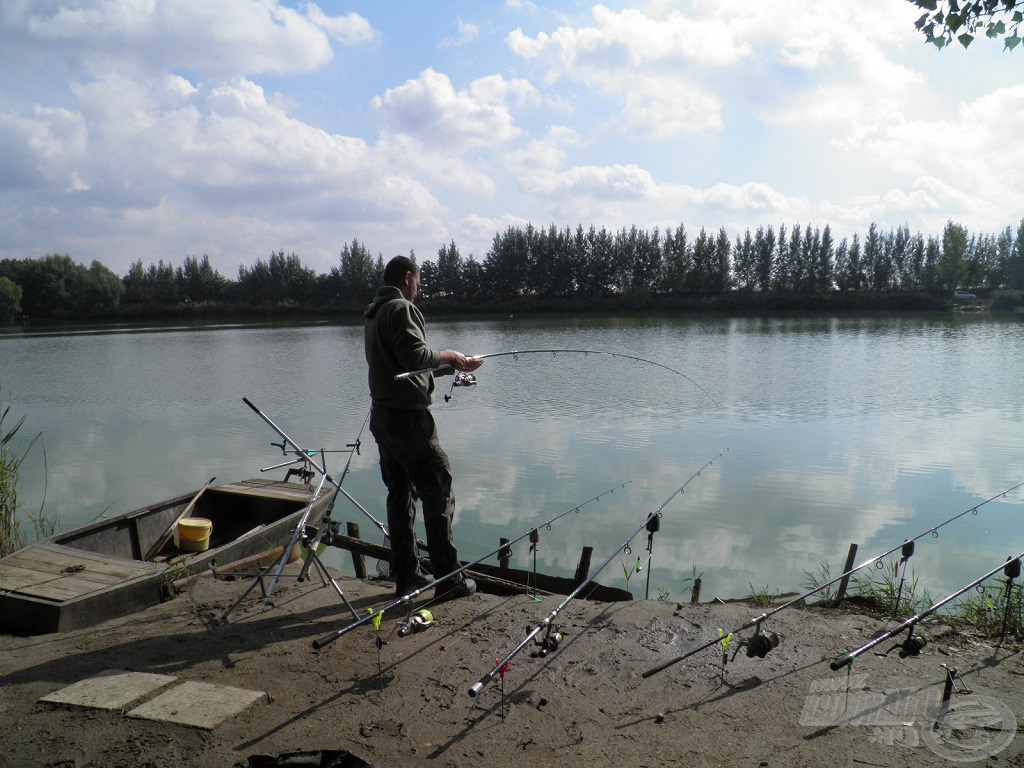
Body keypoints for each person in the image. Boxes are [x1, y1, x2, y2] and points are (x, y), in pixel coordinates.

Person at [364, 255, 483, 600]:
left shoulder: (374, 312)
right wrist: (448, 353)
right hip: (408, 420)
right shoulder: (400, 308)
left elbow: (403, 365)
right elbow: (417, 358)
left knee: (400, 495)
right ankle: (449, 579)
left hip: (383, 417)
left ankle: (407, 577)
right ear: (406, 278)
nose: (419, 288)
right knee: (438, 487)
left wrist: (455, 365)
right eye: (418, 281)